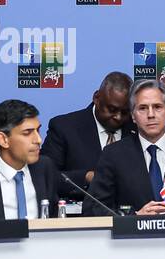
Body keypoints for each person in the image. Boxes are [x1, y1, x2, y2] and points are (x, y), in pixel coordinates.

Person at [85, 79, 165, 215]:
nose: (151, 115)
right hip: (134, 235)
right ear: (133, 116)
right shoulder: (114, 155)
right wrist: (134, 217)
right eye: (143, 108)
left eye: (157, 107)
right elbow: (93, 208)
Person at [41, 70, 134, 201]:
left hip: (130, 217)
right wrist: (86, 177)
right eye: (112, 110)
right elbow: (45, 177)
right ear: (96, 98)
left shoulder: (138, 129)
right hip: (78, 217)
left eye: (125, 112)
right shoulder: (65, 127)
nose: (118, 117)